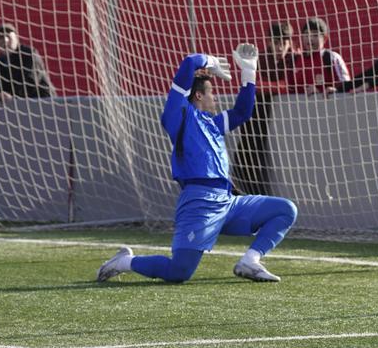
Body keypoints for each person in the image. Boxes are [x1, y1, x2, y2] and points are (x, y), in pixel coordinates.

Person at [96, 44, 298, 283]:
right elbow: (190, 62)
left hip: (227, 201)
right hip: (199, 202)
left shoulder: (212, 124)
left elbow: (243, 112)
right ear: (199, 95)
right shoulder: (179, 117)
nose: (215, 97)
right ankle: (124, 262)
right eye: (212, 92)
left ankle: (250, 261)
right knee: (178, 273)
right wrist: (211, 61)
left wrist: (249, 71)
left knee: (285, 209)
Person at [232, 22, 295, 195]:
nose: (280, 46)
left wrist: (266, 87)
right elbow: (253, 85)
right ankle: (249, 190)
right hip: (257, 114)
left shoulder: (295, 59)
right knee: (247, 152)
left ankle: (257, 193)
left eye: (285, 41)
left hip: (276, 116)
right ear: (268, 42)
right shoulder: (260, 60)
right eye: (276, 42)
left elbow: (291, 85)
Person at [287, 18, 351, 94]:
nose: (310, 39)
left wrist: (321, 92)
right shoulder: (295, 60)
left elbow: (346, 86)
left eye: (315, 35)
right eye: (306, 34)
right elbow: (289, 89)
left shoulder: (331, 57)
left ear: (325, 38)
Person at [0, 23, 55, 98]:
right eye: (1, 37)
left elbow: (31, 80)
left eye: (8, 36)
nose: (5, 40)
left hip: (43, 102)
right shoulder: (0, 61)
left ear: (16, 38)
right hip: (17, 104)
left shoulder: (28, 53)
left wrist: (12, 95)